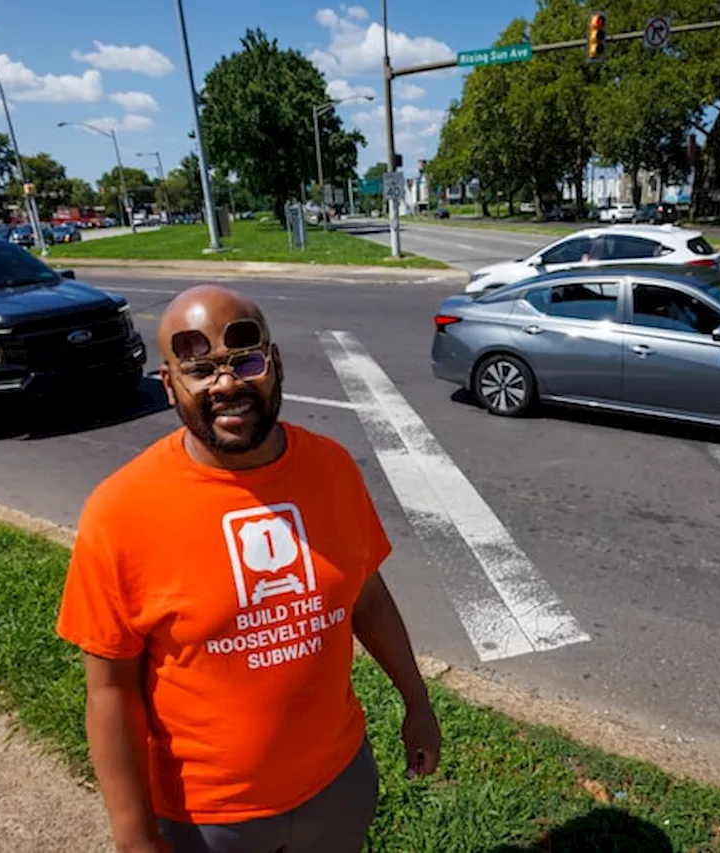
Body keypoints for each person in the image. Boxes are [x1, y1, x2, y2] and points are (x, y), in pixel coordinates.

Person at [57, 284, 441, 853]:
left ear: (276, 363)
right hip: (206, 819)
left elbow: (368, 598)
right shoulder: (121, 512)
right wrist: (133, 833)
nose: (228, 383)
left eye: (246, 359)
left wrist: (417, 701)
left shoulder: (331, 469)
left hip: (338, 785)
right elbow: (110, 690)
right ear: (170, 386)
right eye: (200, 368)